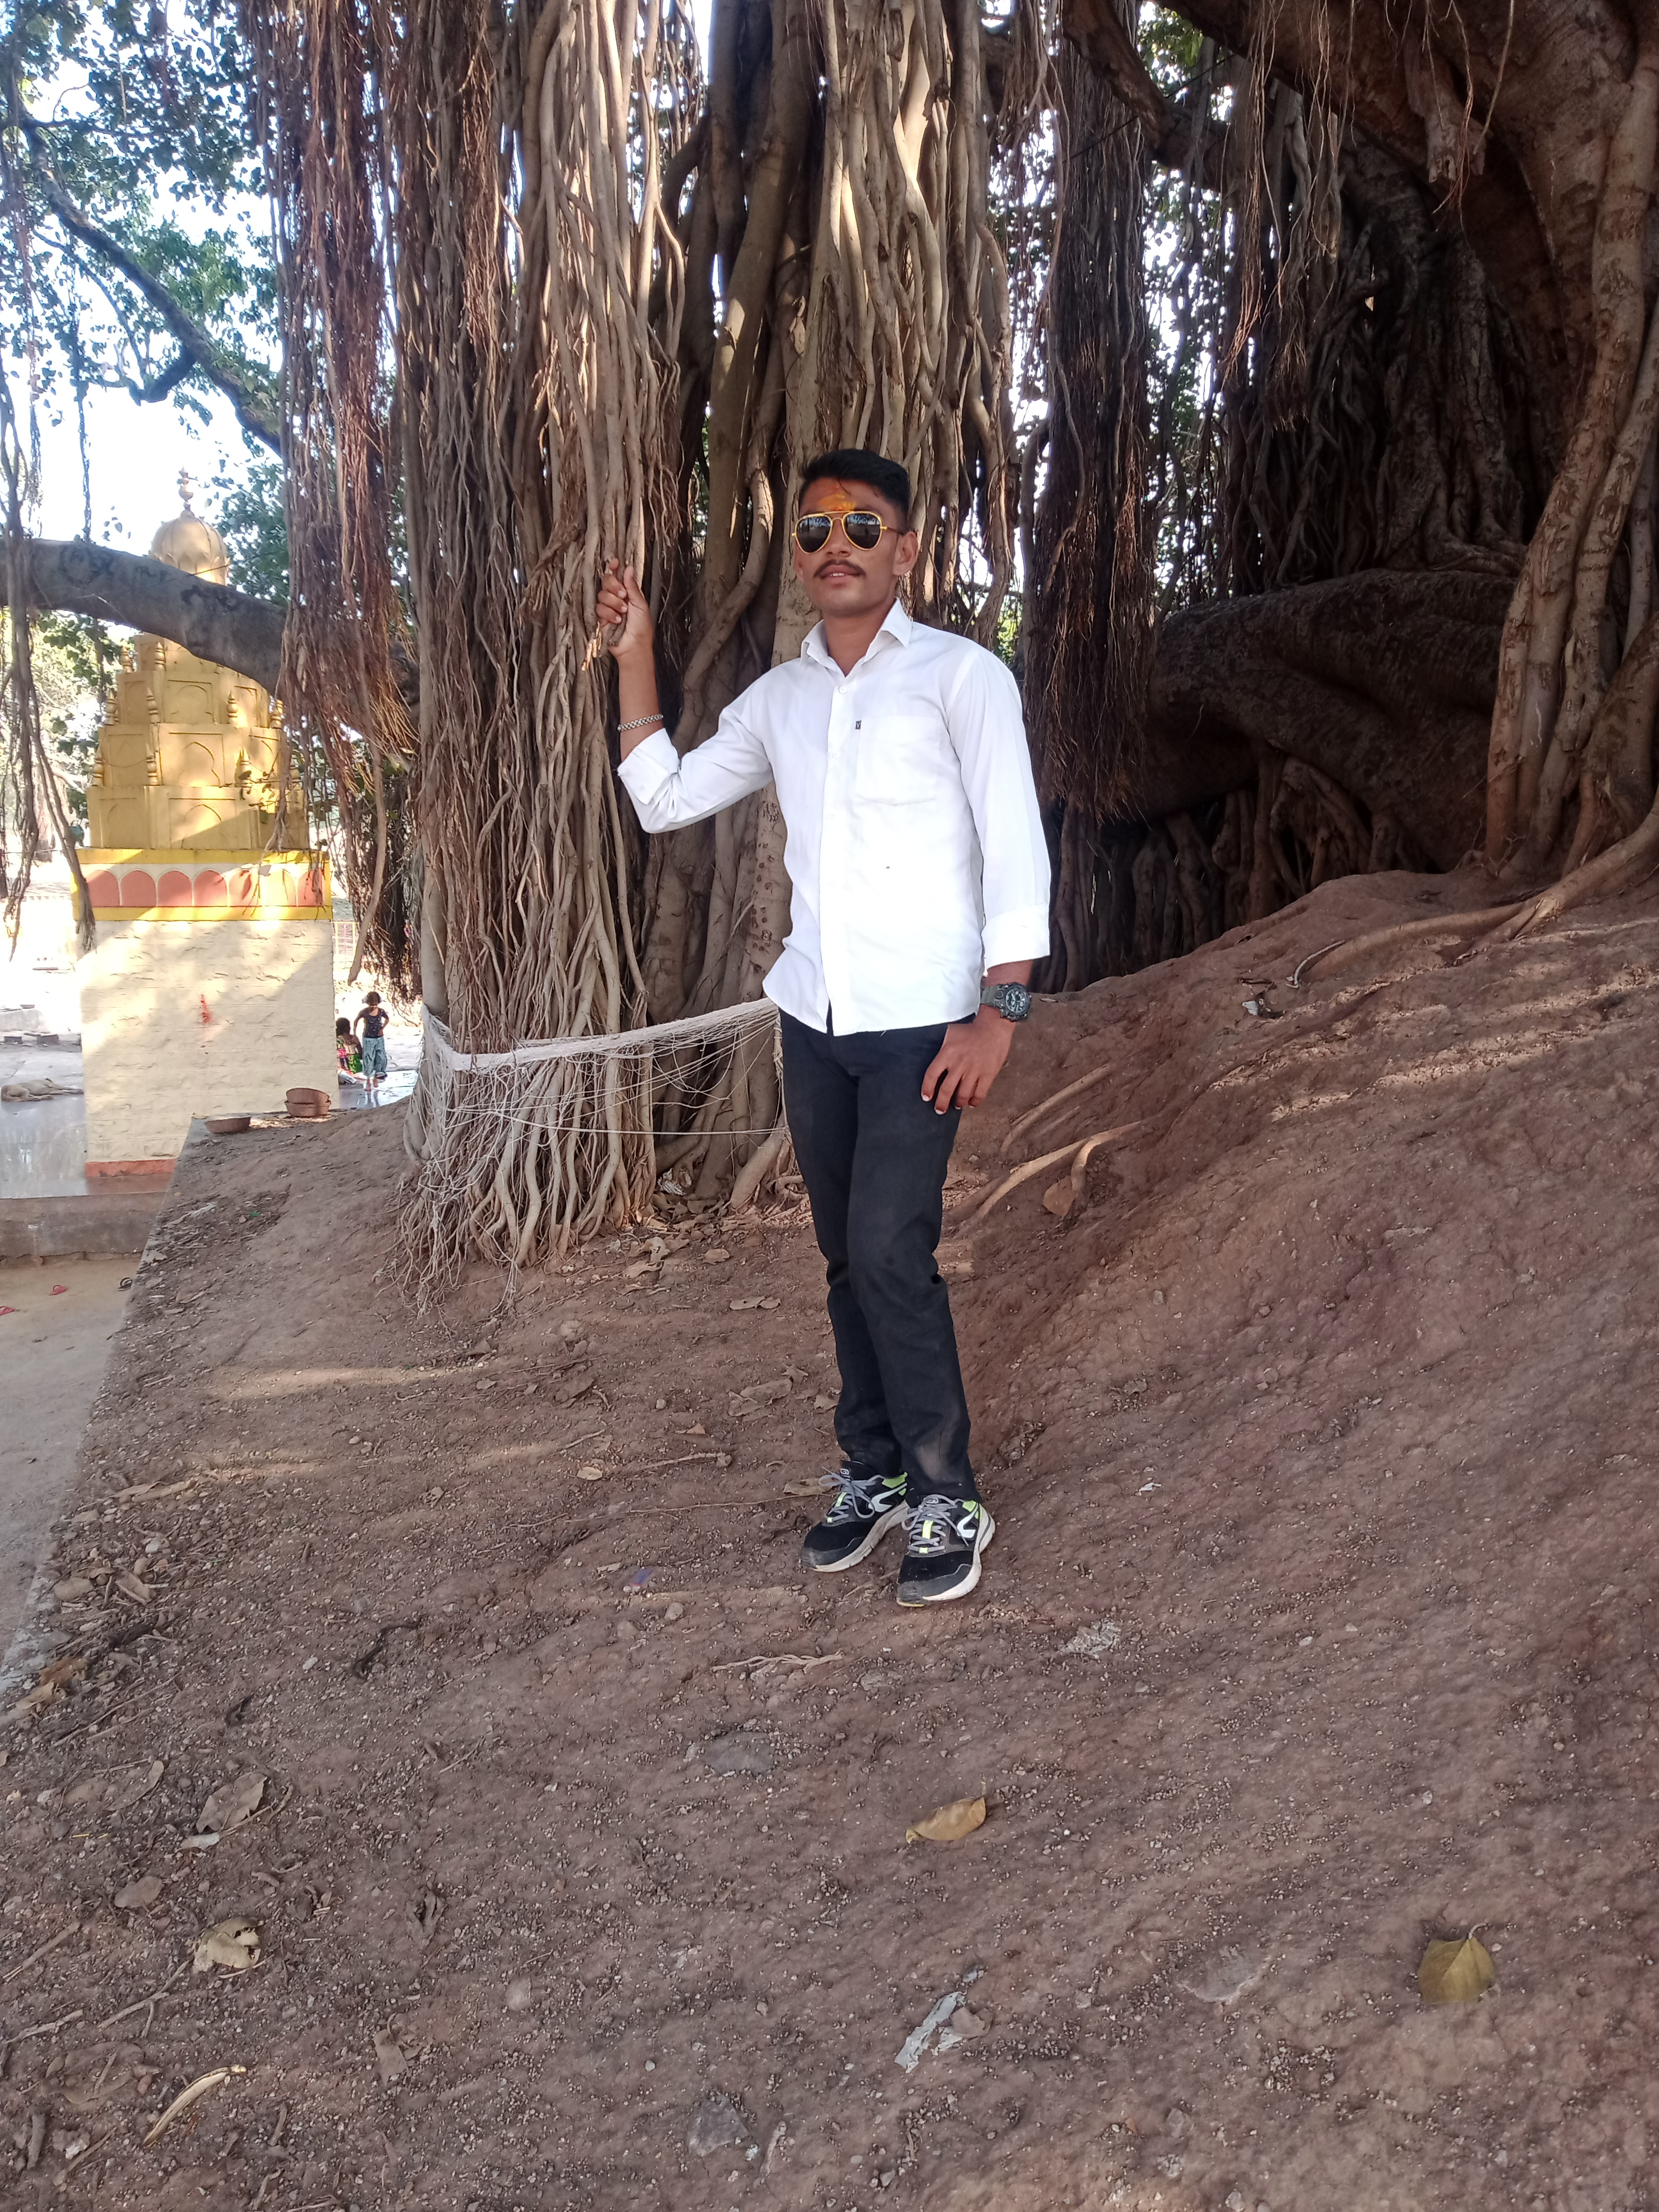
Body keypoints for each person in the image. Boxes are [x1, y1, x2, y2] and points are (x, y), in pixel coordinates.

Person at [597, 448, 1050, 1605]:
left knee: (892, 1247)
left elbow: (1016, 847)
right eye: (813, 530)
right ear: (797, 557)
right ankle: (877, 1469)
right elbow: (665, 800)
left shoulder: (961, 679)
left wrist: (1000, 1013)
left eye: (861, 526)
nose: (835, 545)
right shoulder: (781, 701)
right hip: (815, 1019)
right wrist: (636, 652)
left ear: (907, 550)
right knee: (847, 1254)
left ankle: (948, 1490)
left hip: (923, 1026)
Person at [354, 992, 390, 1101]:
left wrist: (382, 1029)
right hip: (368, 1038)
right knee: (368, 1058)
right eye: (371, 1005)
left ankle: (376, 1078)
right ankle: (369, 1081)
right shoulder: (365, 1012)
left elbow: (387, 1019)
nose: (374, 1007)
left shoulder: (381, 1012)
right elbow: (356, 1021)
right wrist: (355, 1034)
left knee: (380, 1057)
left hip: (379, 1038)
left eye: (375, 1005)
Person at [337, 1016, 363, 1082]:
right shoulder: (354, 1038)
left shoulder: (337, 1040)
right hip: (356, 1066)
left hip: (343, 1067)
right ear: (349, 1027)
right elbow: (361, 1054)